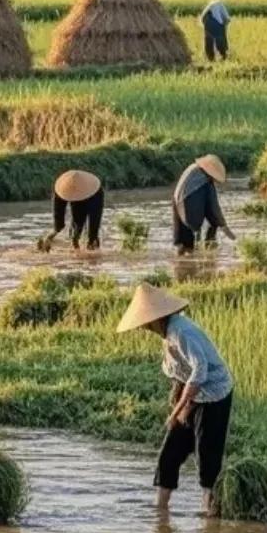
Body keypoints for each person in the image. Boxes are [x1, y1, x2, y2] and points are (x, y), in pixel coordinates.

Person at [117, 282, 235, 514]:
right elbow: (178, 375)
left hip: (214, 395)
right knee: (170, 453)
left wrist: (178, 410)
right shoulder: (167, 335)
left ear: (155, 318)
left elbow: (199, 369)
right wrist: (177, 405)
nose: (143, 328)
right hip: (194, 395)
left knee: (207, 454)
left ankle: (210, 512)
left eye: (145, 323)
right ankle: (160, 510)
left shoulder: (181, 332)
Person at [172, 153, 236, 253]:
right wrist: (224, 226)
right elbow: (213, 207)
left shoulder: (192, 168)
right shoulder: (206, 183)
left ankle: (181, 262)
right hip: (188, 203)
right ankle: (209, 248)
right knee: (213, 222)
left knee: (183, 243)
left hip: (176, 202)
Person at [41, 168, 104, 251]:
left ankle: (92, 248)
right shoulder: (61, 190)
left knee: (93, 231)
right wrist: (55, 231)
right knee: (77, 226)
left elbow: (95, 219)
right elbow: (58, 212)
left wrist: (93, 238)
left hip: (94, 194)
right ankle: (75, 247)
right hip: (78, 191)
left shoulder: (93, 188)